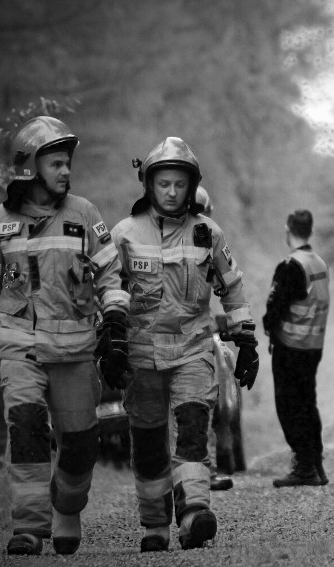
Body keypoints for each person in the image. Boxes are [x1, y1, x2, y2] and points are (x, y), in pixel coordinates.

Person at [0, 116, 130, 556]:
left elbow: (111, 272)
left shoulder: (85, 214)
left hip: (74, 350)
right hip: (20, 348)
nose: (66, 171)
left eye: (67, 163)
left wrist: (116, 323)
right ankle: (28, 527)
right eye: (56, 163)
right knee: (27, 428)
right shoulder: (1, 220)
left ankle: (66, 507)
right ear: (30, 167)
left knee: (81, 443)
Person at [111, 137, 258, 552]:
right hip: (142, 355)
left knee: (193, 430)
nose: (172, 192)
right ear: (149, 186)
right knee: (149, 442)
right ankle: (155, 525)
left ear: (191, 187)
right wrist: (110, 341)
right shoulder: (124, 233)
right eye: (164, 184)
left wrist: (246, 339)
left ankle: (194, 513)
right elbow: (107, 291)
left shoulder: (207, 233)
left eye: (179, 184)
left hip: (193, 350)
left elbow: (232, 288)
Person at [263, 210, 330, 488]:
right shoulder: (318, 262)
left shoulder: (291, 265)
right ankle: (315, 463)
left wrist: (268, 327)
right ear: (310, 230)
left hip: (290, 347)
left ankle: (304, 467)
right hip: (313, 347)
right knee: (307, 404)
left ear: (287, 228)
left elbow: (276, 306)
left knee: (290, 406)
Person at [196, 185, 236, 492]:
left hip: (198, 340)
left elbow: (231, 286)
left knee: (200, 409)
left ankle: (200, 477)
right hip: (190, 341)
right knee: (201, 409)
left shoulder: (210, 244)